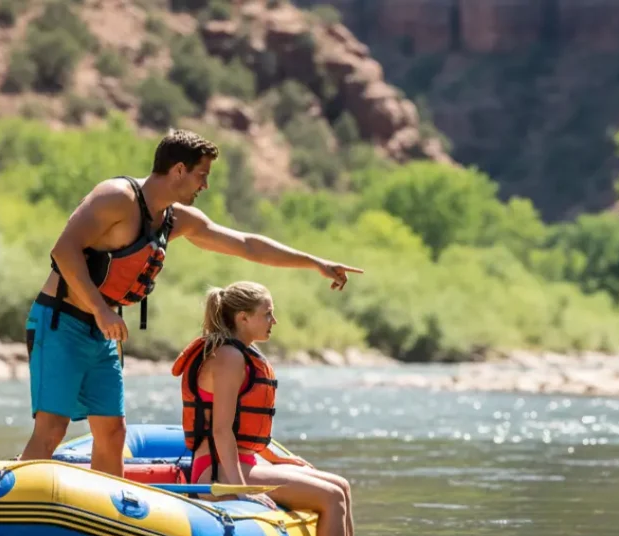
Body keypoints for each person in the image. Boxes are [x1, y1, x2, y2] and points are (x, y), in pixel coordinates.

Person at [18, 129, 362, 477]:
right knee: (51, 430)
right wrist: (101, 308)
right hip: (62, 321)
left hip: (102, 330)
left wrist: (315, 263)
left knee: (112, 433)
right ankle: (18, 510)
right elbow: (64, 250)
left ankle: (106, 519)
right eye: (202, 175)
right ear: (178, 170)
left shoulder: (175, 219)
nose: (205, 185)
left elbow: (246, 244)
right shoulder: (117, 197)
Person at [171, 281, 362, 536]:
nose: (274, 321)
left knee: (342, 485)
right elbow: (220, 429)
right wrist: (239, 490)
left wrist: (277, 457)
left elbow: (242, 426)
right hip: (217, 468)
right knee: (331, 498)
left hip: (243, 460)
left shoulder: (242, 353)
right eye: (268, 314)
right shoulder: (229, 358)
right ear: (243, 318)